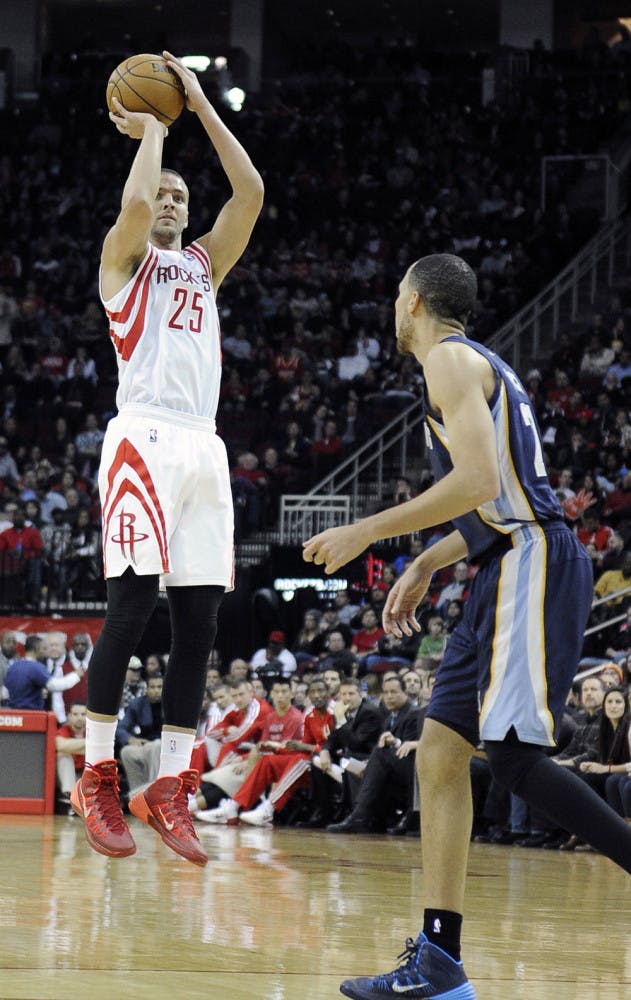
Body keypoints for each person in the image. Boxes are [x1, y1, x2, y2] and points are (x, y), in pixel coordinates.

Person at [303, 253, 631, 1000]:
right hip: (500, 561)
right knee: (440, 757)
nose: (393, 305)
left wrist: (369, 530)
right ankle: (440, 962)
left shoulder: (447, 360)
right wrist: (426, 561)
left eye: (394, 294)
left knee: (511, 760)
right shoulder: (472, 364)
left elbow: (481, 485)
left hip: (530, 562)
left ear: (413, 302)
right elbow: (496, 495)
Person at [70, 50, 264, 866]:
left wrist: (202, 110)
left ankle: (171, 784)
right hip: (143, 436)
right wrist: (152, 127)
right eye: (166, 196)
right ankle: (98, 773)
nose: (173, 203)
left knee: (199, 622)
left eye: (185, 198)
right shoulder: (124, 261)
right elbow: (139, 198)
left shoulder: (202, 266)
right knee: (130, 611)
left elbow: (248, 193)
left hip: (203, 445)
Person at [5, 635, 85, 710]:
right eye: (43, 648)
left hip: (14, 714)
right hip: (32, 714)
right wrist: (76, 675)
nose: (45, 652)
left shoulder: (13, 667)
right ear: (37, 649)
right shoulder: (36, 667)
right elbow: (55, 685)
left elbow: (6, 690)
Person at [55, 701, 87, 812]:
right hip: (65, 778)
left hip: (84, 777)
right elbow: (60, 745)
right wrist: (88, 744)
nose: (80, 718)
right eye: (75, 714)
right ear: (69, 716)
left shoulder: (92, 732)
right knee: (63, 756)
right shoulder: (63, 730)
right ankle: (69, 798)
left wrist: (71, 746)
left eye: (83, 714)